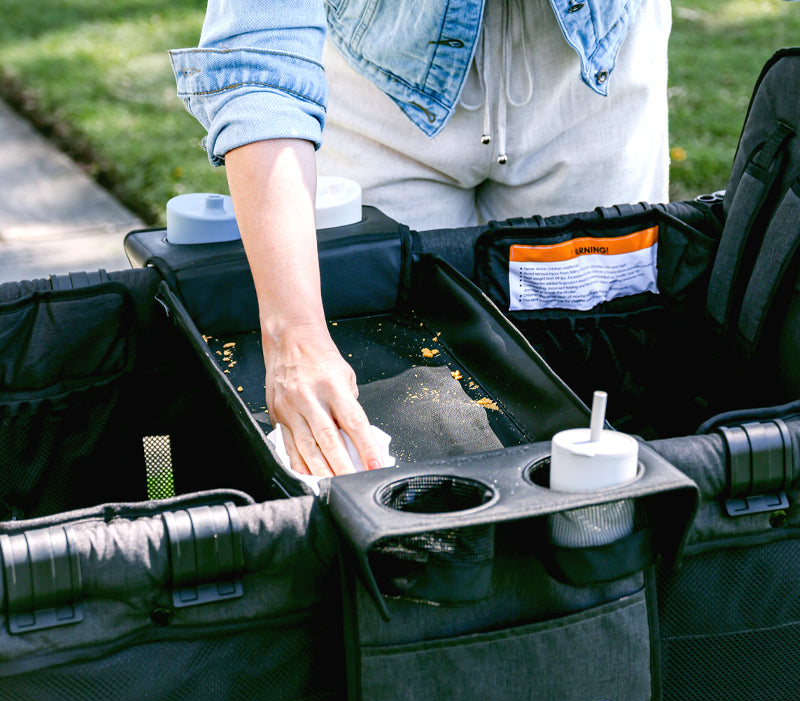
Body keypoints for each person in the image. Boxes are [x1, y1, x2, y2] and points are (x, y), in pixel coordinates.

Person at [169, 0, 671, 477]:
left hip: (588, 72)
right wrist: (294, 334)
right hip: (383, 88)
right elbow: (261, 50)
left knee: (599, 375)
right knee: (388, 398)